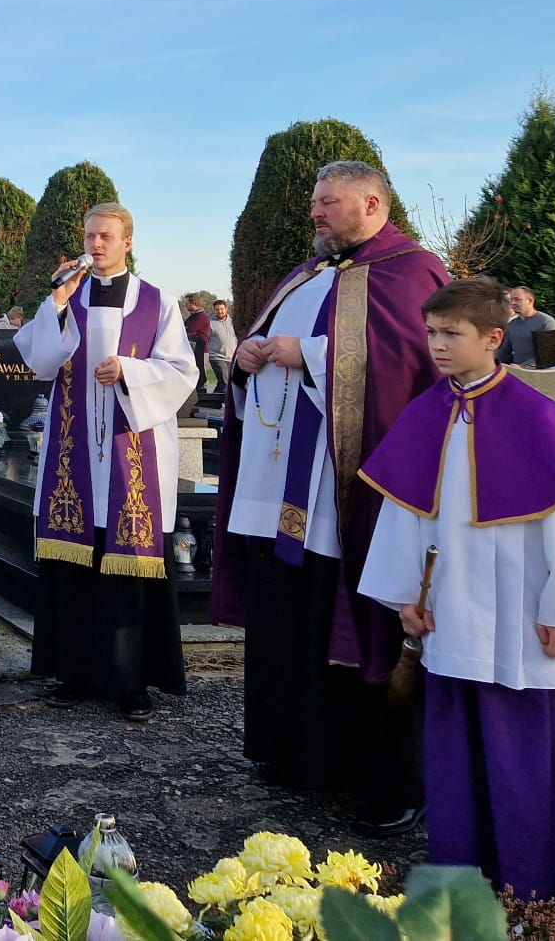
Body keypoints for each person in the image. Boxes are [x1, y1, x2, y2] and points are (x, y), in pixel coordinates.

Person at [359, 278, 555, 899]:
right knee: (455, 747)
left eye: (451, 334)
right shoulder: (426, 413)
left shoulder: (537, 417)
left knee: (523, 747)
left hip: (526, 616)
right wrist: (405, 596)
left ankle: (534, 883)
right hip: (452, 608)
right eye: (431, 332)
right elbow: (403, 511)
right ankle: (463, 874)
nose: (436, 345)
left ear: (493, 338)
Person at [210, 160, 449, 836]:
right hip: (277, 491)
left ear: (372, 204)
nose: (315, 212)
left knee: (363, 624)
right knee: (289, 620)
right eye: (316, 201)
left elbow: (408, 364)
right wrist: (247, 358)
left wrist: (309, 355)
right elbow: (260, 353)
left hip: (350, 494)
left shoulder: (413, 272)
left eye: (329, 202)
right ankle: (298, 755)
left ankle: (387, 781)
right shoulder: (305, 275)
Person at [16, 204, 197, 721]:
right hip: (73, 452)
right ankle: (73, 673)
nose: (95, 244)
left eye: (106, 237)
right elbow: (40, 361)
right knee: (74, 566)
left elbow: (181, 370)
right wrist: (55, 302)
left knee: (128, 571)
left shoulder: (157, 302)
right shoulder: (68, 295)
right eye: (90, 235)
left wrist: (130, 371)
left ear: (127, 242)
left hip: (129, 451)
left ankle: (130, 681)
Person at [502, 287, 555, 367]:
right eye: (511, 300)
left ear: (530, 301)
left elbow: (548, 353)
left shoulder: (546, 322)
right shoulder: (512, 324)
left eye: (517, 299)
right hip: (516, 370)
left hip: (540, 372)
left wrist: (523, 367)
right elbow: (504, 352)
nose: (513, 303)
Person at [205, 300, 237, 394]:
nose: (220, 311)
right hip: (216, 356)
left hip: (231, 357)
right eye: (217, 309)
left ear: (226, 309)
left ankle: (213, 400)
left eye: (222, 309)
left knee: (226, 383)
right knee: (225, 382)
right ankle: (225, 402)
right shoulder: (210, 322)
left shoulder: (232, 322)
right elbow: (205, 339)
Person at [183, 295, 211, 376]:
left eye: (187, 303)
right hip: (195, 350)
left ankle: (202, 385)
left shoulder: (201, 316)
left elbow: (190, 330)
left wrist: (185, 329)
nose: (186, 305)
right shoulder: (193, 316)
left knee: (201, 374)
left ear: (193, 303)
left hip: (201, 350)